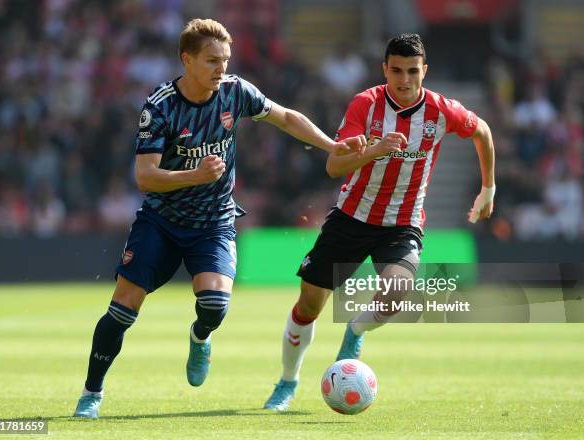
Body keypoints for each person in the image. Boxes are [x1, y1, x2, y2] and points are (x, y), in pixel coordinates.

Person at [73, 18, 364, 419]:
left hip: (213, 222)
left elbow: (285, 117)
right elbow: (145, 176)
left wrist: (333, 145)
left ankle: (200, 336)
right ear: (186, 60)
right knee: (123, 308)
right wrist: (195, 175)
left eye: (225, 60)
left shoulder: (234, 92)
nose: (221, 68)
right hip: (161, 222)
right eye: (212, 60)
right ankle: (92, 393)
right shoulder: (159, 107)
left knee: (214, 304)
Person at [264, 33, 496, 411]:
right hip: (351, 218)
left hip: (403, 223)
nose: (404, 80)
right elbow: (333, 165)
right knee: (308, 306)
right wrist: (374, 150)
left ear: (425, 71)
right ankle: (287, 383)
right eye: (397, 71)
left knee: (396, 292)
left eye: (412, 71)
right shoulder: (365, 106)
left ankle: (354, 332)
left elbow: (482, 131)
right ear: (384, 69)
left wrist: (488, 187)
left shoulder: (441, 110)